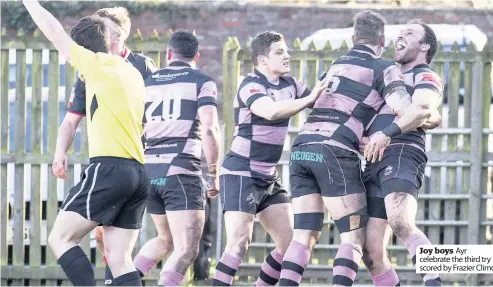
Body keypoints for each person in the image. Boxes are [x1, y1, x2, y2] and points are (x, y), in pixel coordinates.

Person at [278, 11, 430, 286]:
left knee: (303, 236)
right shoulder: (382, 67)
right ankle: (436, 275)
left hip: (301, 149)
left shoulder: (335, 66)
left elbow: (320, 101)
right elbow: (403, 107)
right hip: (334, 151)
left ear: (353, 37)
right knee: (355, 239)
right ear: (381, 40)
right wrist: (422, 116)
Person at [24, 1, 148, 286]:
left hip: (110, 169)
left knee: (61, 238)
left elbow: (54, 32)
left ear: (84, 50)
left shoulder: (96, 66)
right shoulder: (131, 72)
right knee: (119, 259)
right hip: (139, 172)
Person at [212, 31, 328, 287]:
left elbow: (322, 104)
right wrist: (308, 99)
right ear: (263, 60)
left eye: (286, 51)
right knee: (239, 243)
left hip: (268, 177)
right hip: (241, 172)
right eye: (279, 52)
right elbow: (271, 111)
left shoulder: (291, 84)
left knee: (290, 246)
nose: (286, 56)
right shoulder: (251, 85)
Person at [132, 30, 221, 286]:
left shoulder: (148, 82)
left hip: (150, 172)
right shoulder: (201, 80)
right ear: (197, 56)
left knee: (165, 239)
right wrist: (213, 173)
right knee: (187, 250)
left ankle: (124, 282)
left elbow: (137, 125)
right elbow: (209, 128)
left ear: (168, 54)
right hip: (181, 172)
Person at [361, 19, 443, 287]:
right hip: (372, 160)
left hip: (402, 150)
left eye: (409, 32)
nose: (401, 35)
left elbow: (422, 108)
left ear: (425, 46)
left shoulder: (425, 75)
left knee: (400, 222)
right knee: (371, 252)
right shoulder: (385, 73)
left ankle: (434, 278)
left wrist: (386, 133)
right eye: (400, 32)